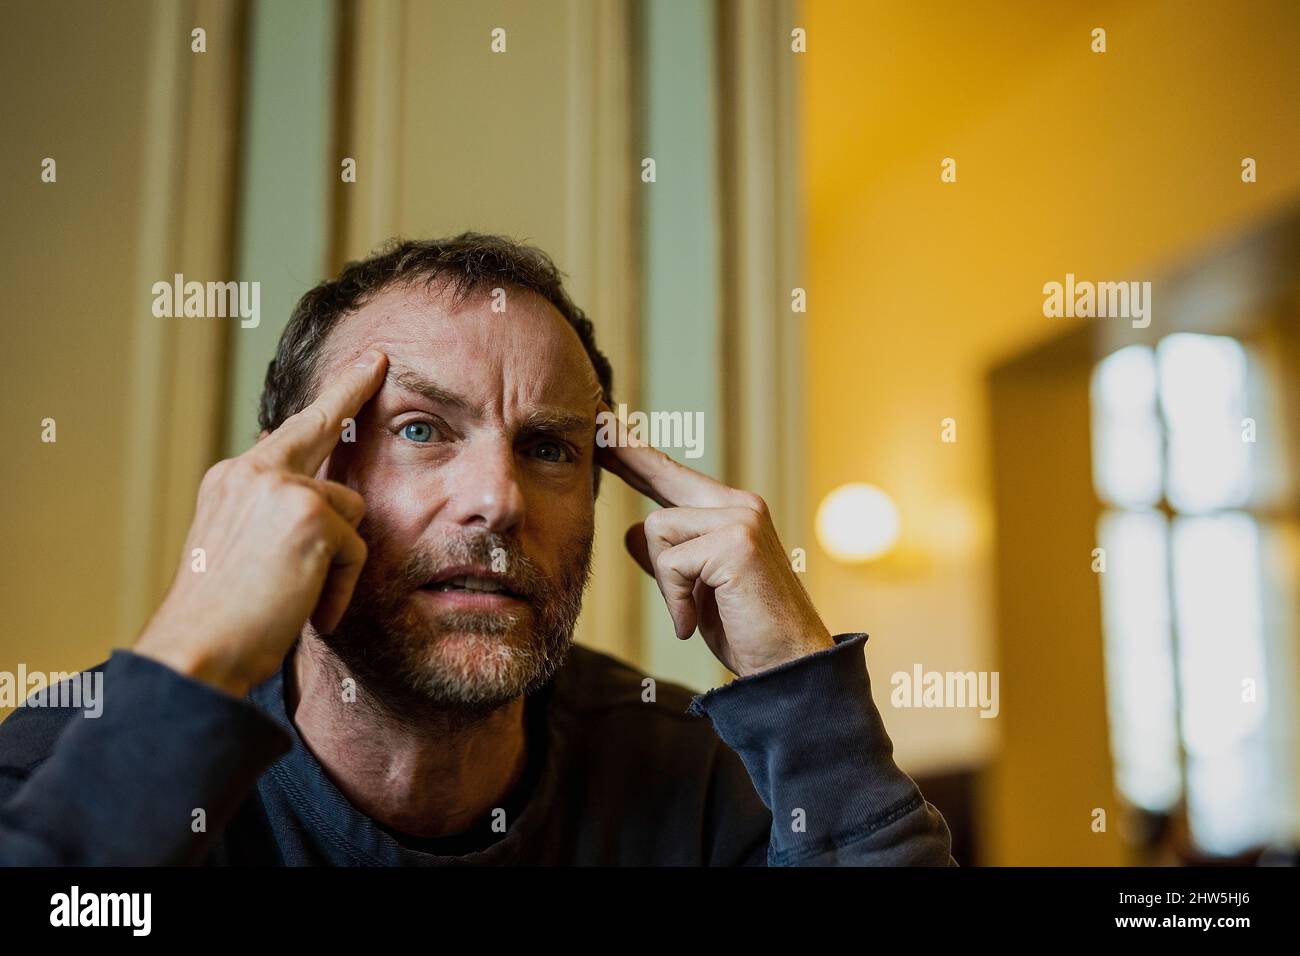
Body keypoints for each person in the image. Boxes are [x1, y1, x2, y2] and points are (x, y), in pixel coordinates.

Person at [0, 233, 954, 866]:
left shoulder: (706, 788)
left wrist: (798, 681)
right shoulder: (65, 765)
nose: (497, 502)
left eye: (547, 448)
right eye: (418, 429)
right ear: (286, 482)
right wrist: (197, 650)